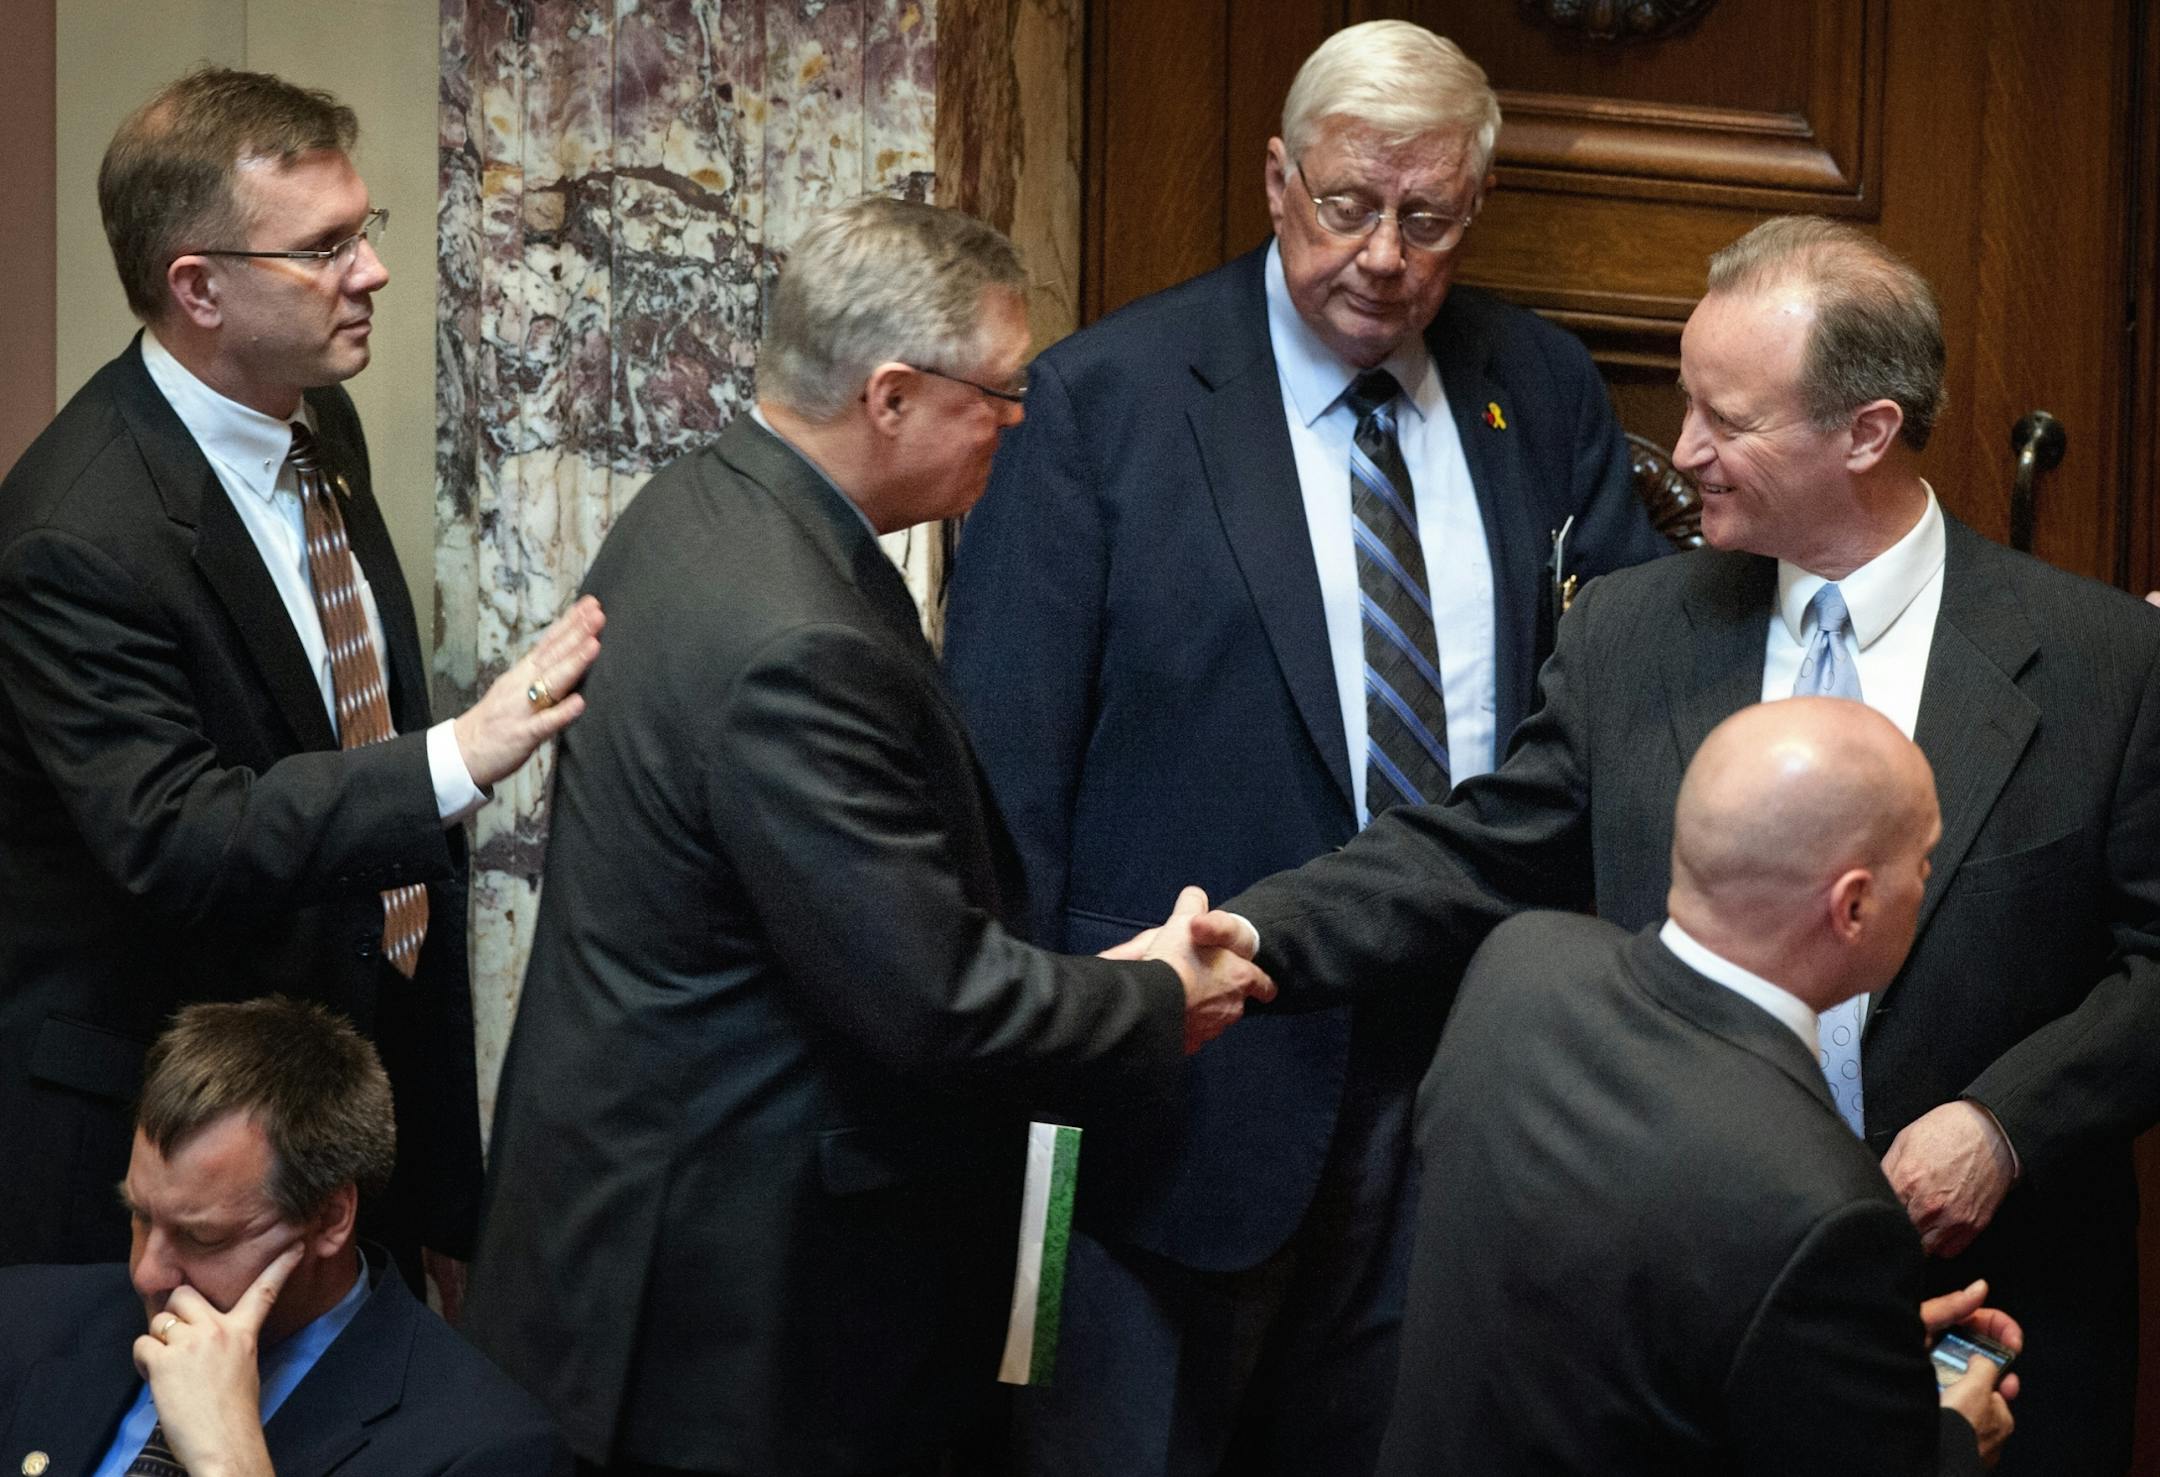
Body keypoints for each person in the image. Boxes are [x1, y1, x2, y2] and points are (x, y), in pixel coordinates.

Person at [1226, 215, 2160, 1475]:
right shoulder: (1635, 631)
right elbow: (1478, 851)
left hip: (1990, 1324)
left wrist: (2003, 1126)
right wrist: (1251, 936)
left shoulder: (2110, 664)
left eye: (1731, 419)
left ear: (1866, 433)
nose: (1684, 452)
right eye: (1687, 403)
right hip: (1665, 1332)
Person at [941, 20, 1666, 1473]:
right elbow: (1002, 777)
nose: (1385, 255)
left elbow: (1625, 716)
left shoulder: (1544, 390)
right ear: (1278, 181)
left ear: (1475, 207)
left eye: (1428, 216)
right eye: (1348, 206)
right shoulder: (1109, 400)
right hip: (1183, 1102)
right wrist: (1048, 1068)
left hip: (1470, 1089)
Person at [464, 196, 1275, 1477]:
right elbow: (934, 1000)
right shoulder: (796, 639)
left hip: (660, 1241)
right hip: (728, 1326)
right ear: (891, 395)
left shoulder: (700, 501)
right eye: (1001, 395)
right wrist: (1151, 995)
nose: (1019, 424)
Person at [0, 67, 603, 1302]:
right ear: (198, 287)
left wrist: (435, 1176)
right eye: (324, 248)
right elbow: (175, 834)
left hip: (320, 1109)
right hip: (155, 1150)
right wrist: (455, 758)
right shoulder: (75, 534)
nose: (369, 272)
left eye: (361, 233)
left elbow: (345, 738)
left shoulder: (315, 421)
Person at [1379, 697, 2019, 1474]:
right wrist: (1951, 1437)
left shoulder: (1517, 964)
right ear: (1852, 906)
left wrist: (1842, 1352)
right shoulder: (1827, 1208)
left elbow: (1598, 1317)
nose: (1927, 880)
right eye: (1922, 860)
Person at [0, 997, 569, 1476]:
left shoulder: (482, 1448)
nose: (147, 1273)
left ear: (329, 1218)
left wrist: (232, 1461)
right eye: (142, 1217)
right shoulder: (22, 1321)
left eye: (203, 1238)